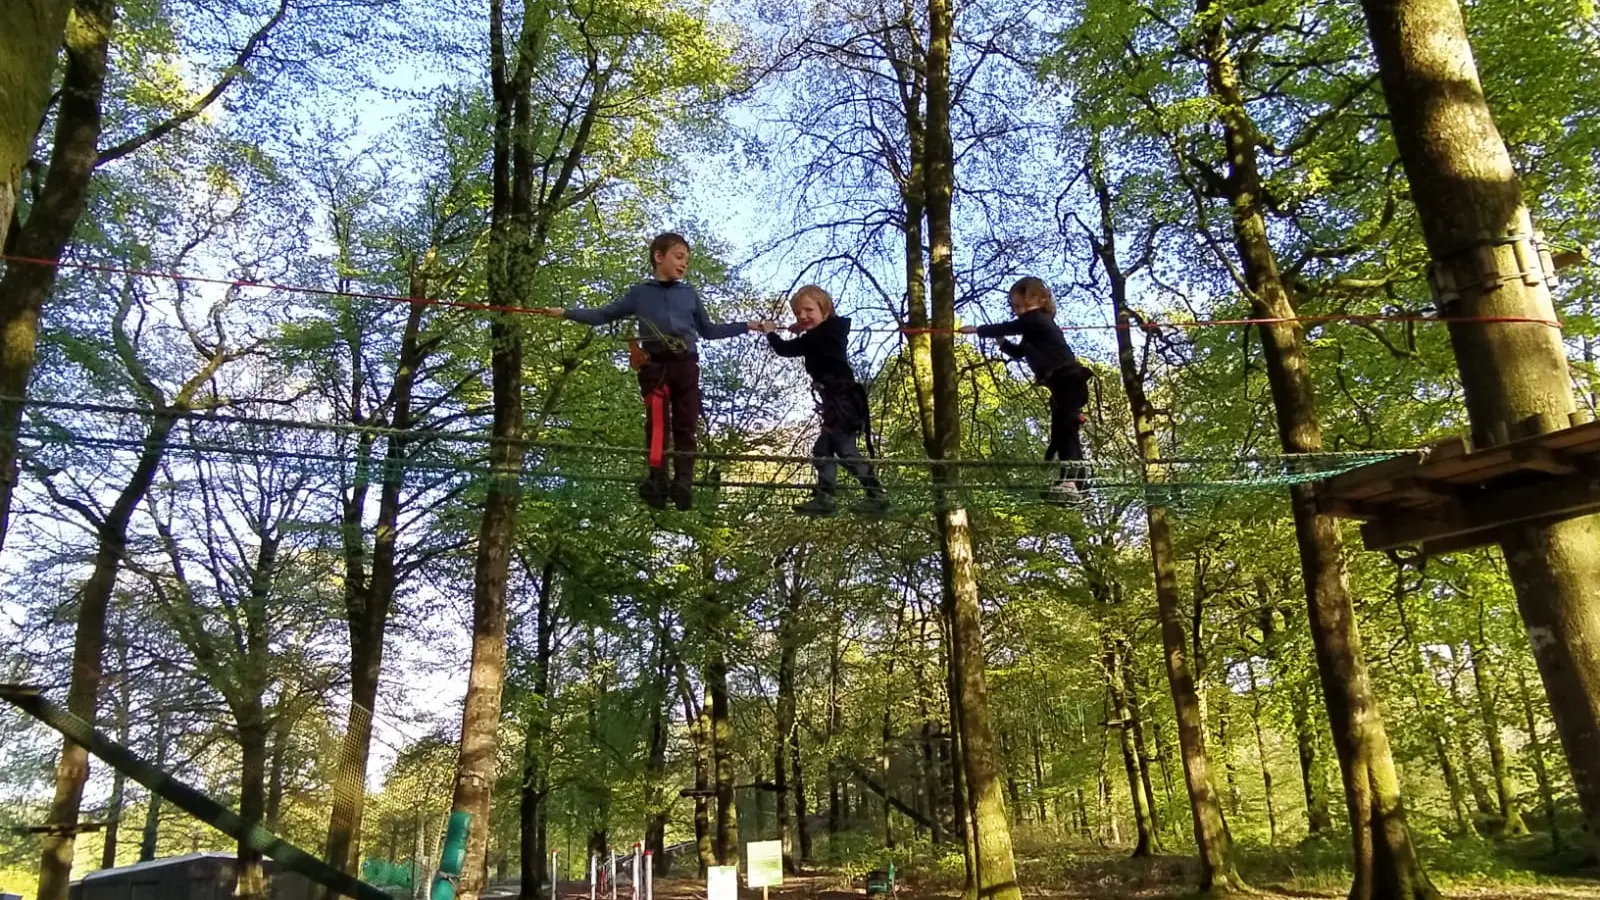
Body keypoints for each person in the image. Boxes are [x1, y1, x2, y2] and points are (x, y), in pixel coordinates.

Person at [537, 233, 775, 510]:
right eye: (679, 256)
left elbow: (708, 331)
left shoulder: (689, 294)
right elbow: (603, 315)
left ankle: (683, 482)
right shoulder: (640, 294)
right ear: (659, 257)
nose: (684, 264)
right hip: (655, 368)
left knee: (686, 425)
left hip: (685, 365)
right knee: (657, 425)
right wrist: (565, 312)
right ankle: (657, 480)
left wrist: (747, 325)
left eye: (687, 259)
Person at [961, 276, 1093, 503]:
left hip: (1070, 380)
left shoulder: (1038, 320)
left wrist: (978, 330)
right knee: (1062, 434)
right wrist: (1002, 342)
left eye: (1024, 305)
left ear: (1041, 301)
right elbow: (1018, 352)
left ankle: (1073, 481)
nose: (1020, 311)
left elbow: (1011, 326)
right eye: (1016, 307)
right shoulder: (1031, 330)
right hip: (1060, 386)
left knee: (1067, 431)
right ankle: (1072, 482)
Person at [765, 285, 889, 517]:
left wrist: (770, 331)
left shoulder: (830, 332)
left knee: (844, 447)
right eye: (797, 313)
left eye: (808, 310)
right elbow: (810, 340)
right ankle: (825, 497)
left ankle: (875, 494)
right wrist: (804, 329)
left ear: (826, 310)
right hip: (836, 403)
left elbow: (783, 349)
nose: (802, 316)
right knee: (823, 449)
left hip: (844, 403)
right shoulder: (819, 335)